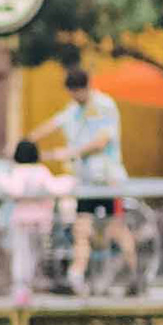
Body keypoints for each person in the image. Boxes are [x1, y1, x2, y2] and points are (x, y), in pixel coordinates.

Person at [41, 65, 139, 297]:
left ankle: (135, 276)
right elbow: (52, 125)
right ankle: (77, 274)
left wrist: (72, 152)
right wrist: (27, 144)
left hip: (108, 180)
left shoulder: (104, 106)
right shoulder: (73, 110)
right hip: (85, 182)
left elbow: (101, 141)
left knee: (116, 229)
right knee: (81, 230)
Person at [0, 137, 56, 301]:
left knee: (22, 254)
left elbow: (14, 190)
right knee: (36, 253)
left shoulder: (18, 171)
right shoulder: (42, 170)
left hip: (22, 220)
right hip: (41, 220)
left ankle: (21, 288)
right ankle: (31, 284)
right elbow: (53, 187)